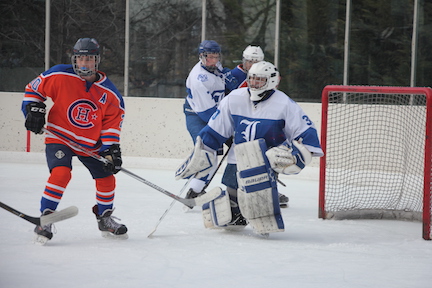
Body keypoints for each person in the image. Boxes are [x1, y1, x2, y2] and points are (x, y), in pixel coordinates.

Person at [176, 61, 323, 235]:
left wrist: (297, 156)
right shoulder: (234, 98)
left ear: (271, 81)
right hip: (236, 157)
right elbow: (216, 128)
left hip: (265, 161)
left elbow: (307, 133)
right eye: (252, 79)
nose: (254, 84)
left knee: (257, 206)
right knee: (231, 217)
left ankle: (263, 210)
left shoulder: (284, 103)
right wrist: (203, 150)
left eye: (259, 80)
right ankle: (235, 210)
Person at [22, 38, 128, 244]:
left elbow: (111, 125)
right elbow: (33, 91)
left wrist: (110, 150)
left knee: (107, 178)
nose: (84, 63)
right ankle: (46, 218)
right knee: (61, 173)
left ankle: (104, 218)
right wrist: (33, 110)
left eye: (89, 59)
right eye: (80, 58)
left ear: (97, 61)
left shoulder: (110, 94)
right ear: (74, 59)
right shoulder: (59, 75)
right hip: (60, 136)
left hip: (90, 144)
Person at [223, 45, 289, 207]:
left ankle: (267, 190)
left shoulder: (265, 73)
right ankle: (234, 196)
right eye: (249, 62)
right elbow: (227, 104)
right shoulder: (234, 76)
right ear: (244, 61)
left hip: (260, 124)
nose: (252, 65)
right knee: (237, 161)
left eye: (256, 61)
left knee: (268, 156)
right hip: (239, 125)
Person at [183, 40, 237, 201]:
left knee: (241, 147)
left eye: (216, 57)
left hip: (215, 114)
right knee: (209, 155)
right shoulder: (198, 79)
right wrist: (229, 128)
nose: (213, 61)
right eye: (210, 57)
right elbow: (208, 114)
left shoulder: (214, 66)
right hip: (198, 116)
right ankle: (193, 191)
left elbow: (223, 75)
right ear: (201, 56)